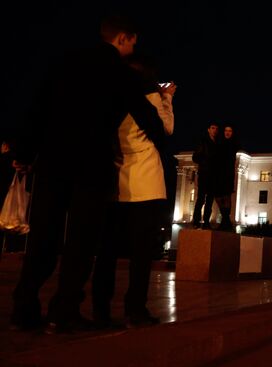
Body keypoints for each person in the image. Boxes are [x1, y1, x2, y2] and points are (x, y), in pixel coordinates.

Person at [10, 15, 165, 333]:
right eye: (133, 41)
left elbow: (36, 108)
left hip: (53, 162)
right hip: (92, 166)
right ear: (123, 38)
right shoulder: (121, 73)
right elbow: (150, 120)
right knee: (80, 242)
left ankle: (23, 309)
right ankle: (63, 311)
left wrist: (25, 153)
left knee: (43, 238)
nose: (133, 48)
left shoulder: (65, 61)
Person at [91, 54, 176, 328]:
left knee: (107, 250)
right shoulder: (148, 97)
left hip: (114, 179)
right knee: (141, 253)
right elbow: (166, 128)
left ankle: (100, 309)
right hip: (146, 181)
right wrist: (167, 99)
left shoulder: (106, 99)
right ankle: (135, 309)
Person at [192, 122, 219, 229]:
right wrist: (204, 161)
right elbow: (195, 157)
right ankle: (196, 221)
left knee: (210, 200)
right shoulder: (203, 142)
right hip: (204, 174)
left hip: (213, 175)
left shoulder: (217, 143)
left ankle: (206, 222)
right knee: (201, 199)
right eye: (213, 128)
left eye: (216, 128)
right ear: (208, 129)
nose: (215, 130)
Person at [214, 124, 241, 231]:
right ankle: (226, 219)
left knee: (226, 195)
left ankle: (225, 221)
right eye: (226, 130)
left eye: (230, 130)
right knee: (218, 196)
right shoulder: (219, 142)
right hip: (219, 172)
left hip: (228, 172)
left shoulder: (234, 143)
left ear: (232, 133)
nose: (227, 132)